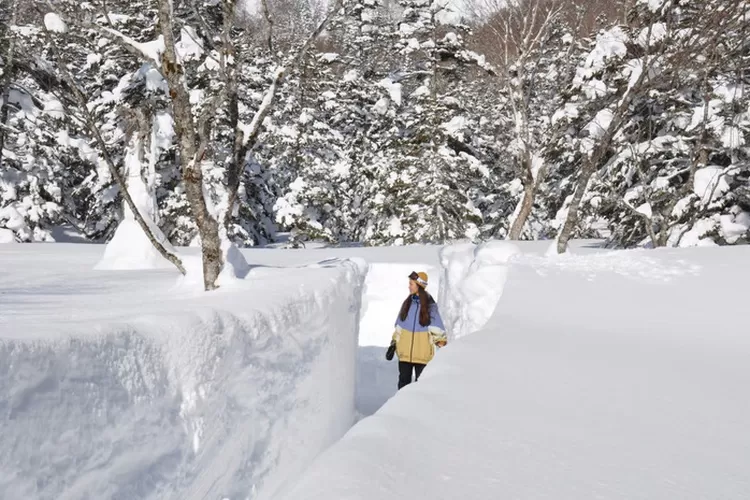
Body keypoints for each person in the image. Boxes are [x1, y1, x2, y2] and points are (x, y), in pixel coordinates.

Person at [385, 271, 448, 389]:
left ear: (419, 285)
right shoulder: (407, 304)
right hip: (405, 355)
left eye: (411, 284)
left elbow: (437, 329)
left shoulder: (430, 307)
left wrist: (442, 343)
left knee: (421, 387)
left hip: (422, 355)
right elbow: (399, 328)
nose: (409, 286)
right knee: (403, 385)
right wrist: (393, 345)